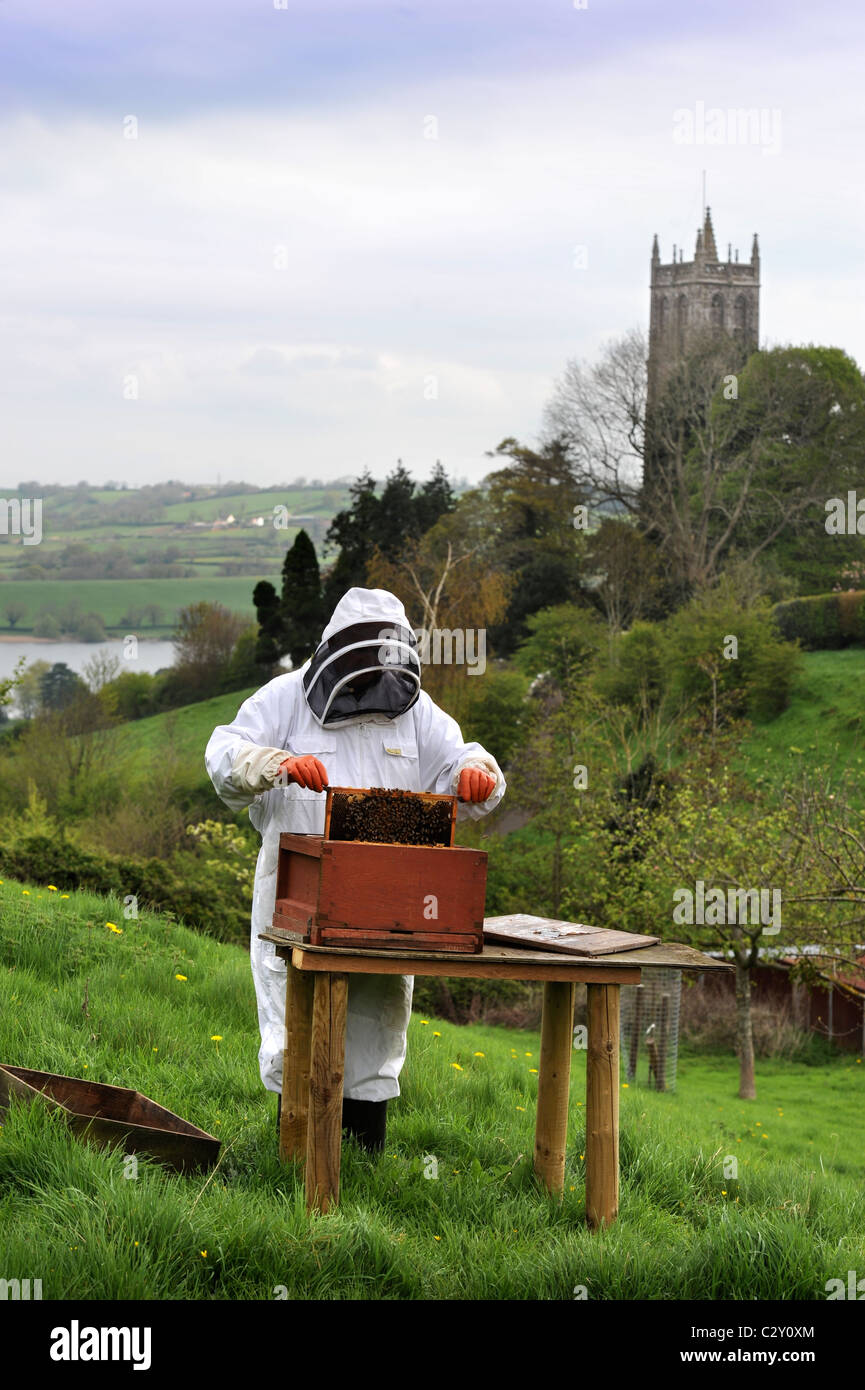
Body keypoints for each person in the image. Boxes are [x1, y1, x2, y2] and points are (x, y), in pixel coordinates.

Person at [205, 587, 506, 1152]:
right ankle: (293, 1161)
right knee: (297, 1029)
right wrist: (276, 763)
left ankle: (365, 1164)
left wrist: (476, 773)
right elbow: (223, 757)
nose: (372, 675)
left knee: (374, 1027)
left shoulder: (416, 711)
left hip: (387, 907)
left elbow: (465, 759)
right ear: (337, 653)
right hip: (294, 903)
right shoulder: (284, 699)